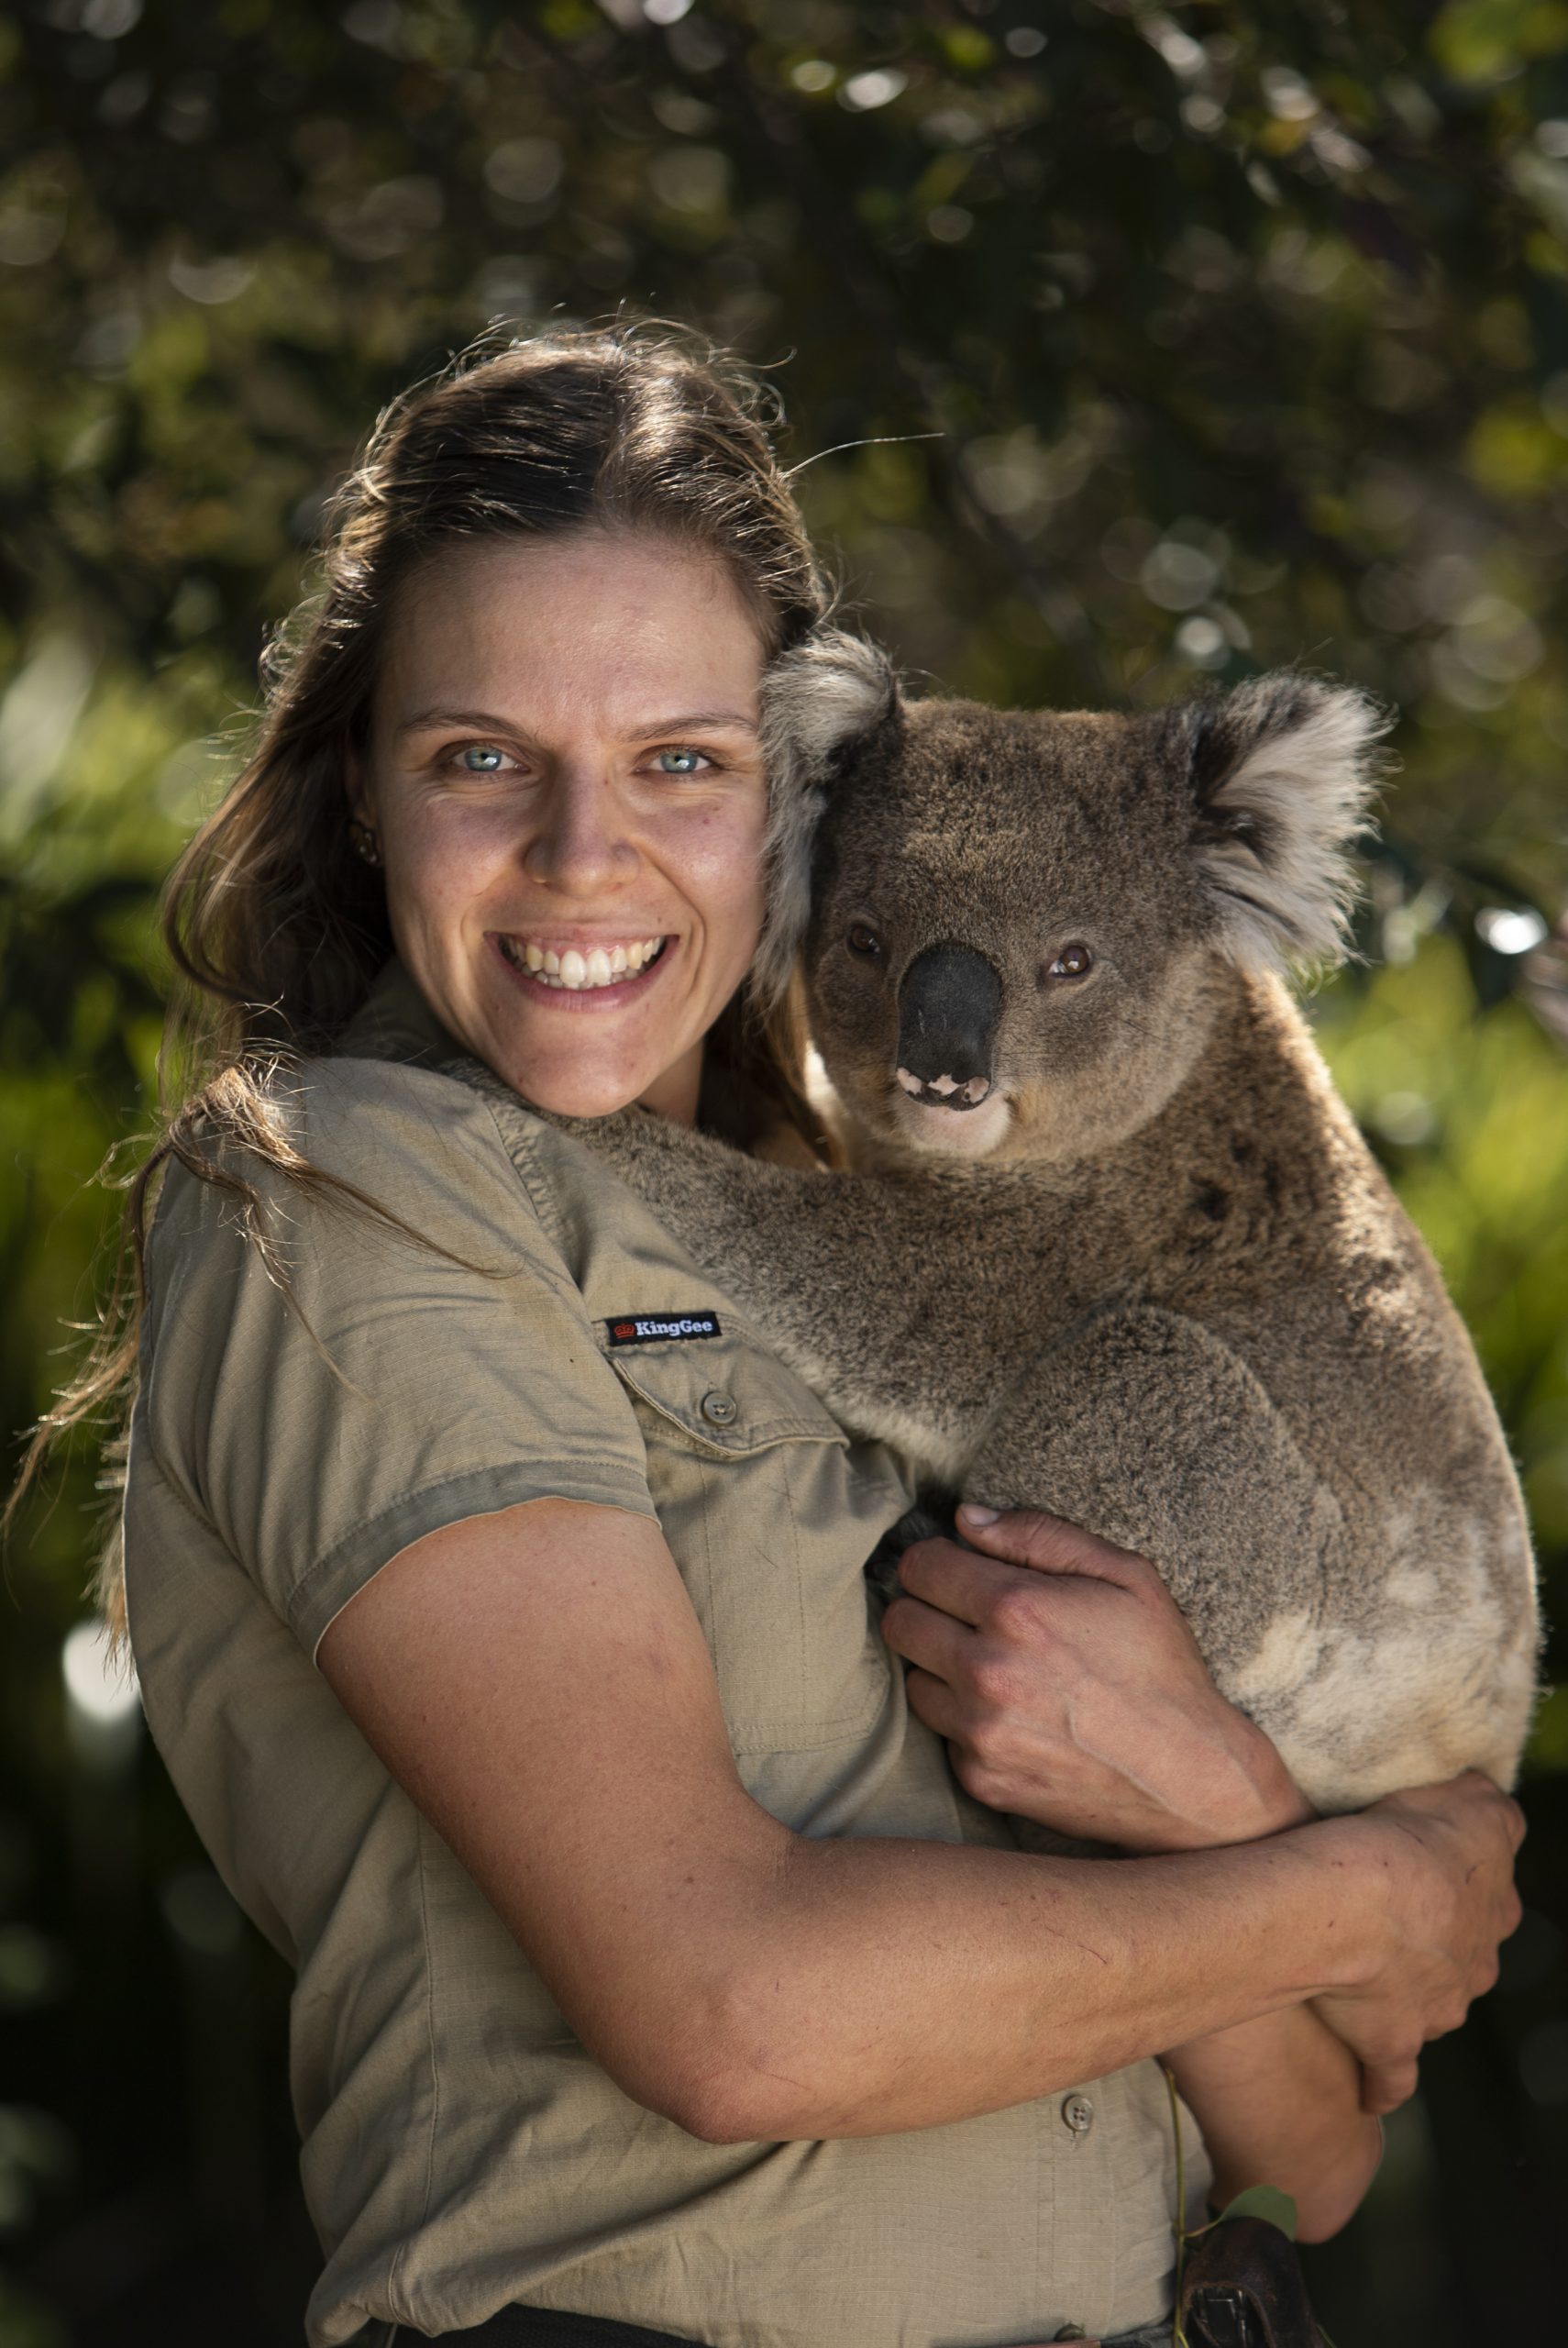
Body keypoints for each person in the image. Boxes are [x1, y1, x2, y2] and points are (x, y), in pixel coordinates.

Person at [33, 325, 1522, 2348]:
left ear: (797, 802)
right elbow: (731, 2016)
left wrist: (1213, 1802)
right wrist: (1369, 1891)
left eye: (683, 761)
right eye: (479, 757)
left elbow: (1312, 2151)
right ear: (364, 791)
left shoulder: (866, 1188)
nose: (584, 853)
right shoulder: (354, 1200)